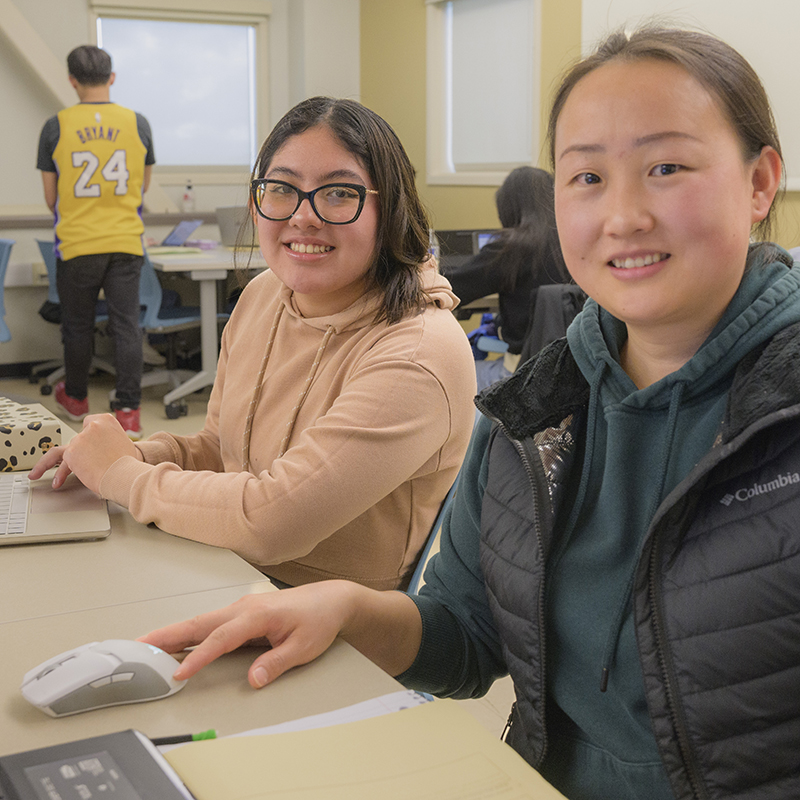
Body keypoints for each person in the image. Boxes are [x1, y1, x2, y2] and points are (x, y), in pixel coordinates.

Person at [140, 25, 800, 800]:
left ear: (760, 182)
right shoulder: (537, 411)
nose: (622, 216)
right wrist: (348, 610)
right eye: (586, 177)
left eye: (666, 167)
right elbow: (469, 635)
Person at [31, 97, 476, 590]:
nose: (304, 216)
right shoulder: (265, 294)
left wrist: (118, 474)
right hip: (227, 571)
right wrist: (132, 455)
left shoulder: (419, 352)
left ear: (389, 207)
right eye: (281, 188)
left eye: (339, 193)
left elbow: (272, 523)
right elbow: (219, 450)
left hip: (329, 625)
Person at [37, 45, 154, 439]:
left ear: (72, 80)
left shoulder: (56, 126)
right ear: (112, 78)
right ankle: (128, 413)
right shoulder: (138, 123)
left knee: (77, 327)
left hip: (78, 243)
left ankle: (75, 399)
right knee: (126, 326)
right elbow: (142, 186)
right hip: (125, 242)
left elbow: (52, 199)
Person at [443, 166, 569, 389]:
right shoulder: (574, 243)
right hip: (571, 376)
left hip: (521, 378)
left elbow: (450, 287)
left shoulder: (512, 248)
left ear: (509, 208)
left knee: (444, 377)